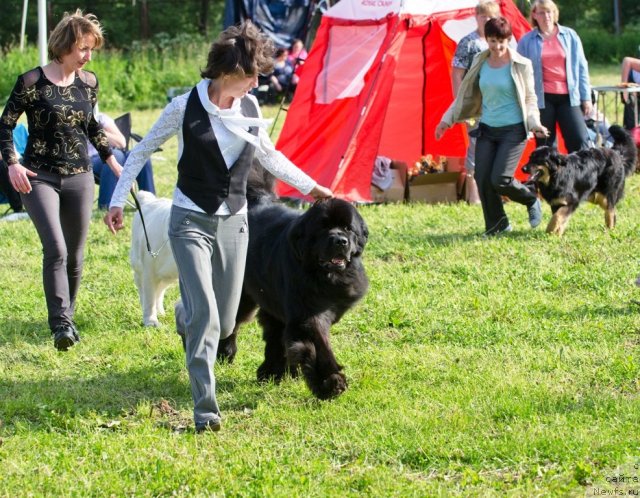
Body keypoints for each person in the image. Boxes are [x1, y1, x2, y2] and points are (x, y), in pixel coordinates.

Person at [104, 20, 333, 433]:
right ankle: (205, 411)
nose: (257, 85)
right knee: (207, 317)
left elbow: (271, 156)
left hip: (235, 222)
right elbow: (139, 152)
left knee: (227, 323)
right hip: (189, 218)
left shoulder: (250, 109)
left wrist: (311, 187)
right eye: (254, 77)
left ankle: (183, 313)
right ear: (233, 73)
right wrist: (118, 199)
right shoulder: (183, 106)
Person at [0, 9, 121, 350]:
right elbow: (5, 124)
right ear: (65, 45)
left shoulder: (89, 83)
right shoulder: (30, 81)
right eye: (83, 48)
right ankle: (61, 326)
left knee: (76, 255)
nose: (88, 55)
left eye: (91, 49)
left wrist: (110, 159)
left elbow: (92, 126)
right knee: (55, 249)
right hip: (39, 177)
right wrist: (12, 163)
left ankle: (66, 316)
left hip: (80, 176)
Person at [435, 17, 548, 236]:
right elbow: (464, 95)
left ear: (509, 40)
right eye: (493, 41)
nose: (497, 46)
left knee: (500, 179)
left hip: (514, 131)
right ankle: (497, 224)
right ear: (487, 39)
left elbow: (530, 99)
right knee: (482, 177)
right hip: (487, 128)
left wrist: (535, 123)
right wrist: (446, 120)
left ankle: (530, 199)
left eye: (501, 41)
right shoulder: (480, 60)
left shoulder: (521, 65)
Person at [517, 0, 591, 153]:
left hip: (569, 97)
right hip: (541, 100)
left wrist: (586, 97)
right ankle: (550, 177)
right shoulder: (526, 41)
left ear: (555, 13)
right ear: (534, 15)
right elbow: (518, 72)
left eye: (549, 11)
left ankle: (580, 177)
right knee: (545, 147)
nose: (546, 16)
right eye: (541, 12)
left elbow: (582, 67)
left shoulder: (570, 36)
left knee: (579, 140)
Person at [450, 0, 500, 204]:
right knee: (475, 146)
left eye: (490, 16)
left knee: (496, 144)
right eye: (483, 16)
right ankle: (473, 193)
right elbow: (456, 74)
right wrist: (460, 103)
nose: (486, 20)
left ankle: (492, 189)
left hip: (496, 102)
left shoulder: (499, 40)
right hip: (475, 103)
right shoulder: (468, 42)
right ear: (476, 17)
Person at [90, 110, 155, 209]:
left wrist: (97, 130)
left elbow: (121, 142)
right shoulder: (76, 118)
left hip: (118, 152)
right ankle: (106, 205)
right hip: (92, 158)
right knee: (116, 155)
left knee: (141, 156)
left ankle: (150, 202)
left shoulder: (101, 118)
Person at [0, 124, 29, 214]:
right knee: (3, 165)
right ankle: (18, 209)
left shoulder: (6, 128)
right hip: (7, 164)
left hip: (21, 160)